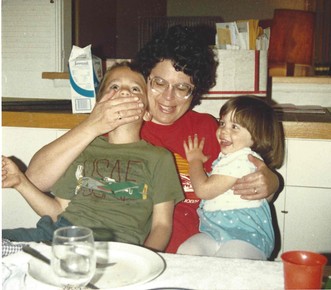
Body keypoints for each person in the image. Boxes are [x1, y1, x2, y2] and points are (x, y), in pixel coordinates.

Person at [24, 25, 280, 253]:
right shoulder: (117, 126)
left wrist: (271, 183)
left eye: (182, 88)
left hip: (199, 254)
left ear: (195, 91)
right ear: (145, 79)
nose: (169, 97)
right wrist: (91, 124)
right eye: (159, 82)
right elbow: (36, 179)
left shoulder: (209, 129)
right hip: (131, 252)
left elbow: (244, 182)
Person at [2, 62, 184, 251]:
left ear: (147, 112)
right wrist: (20, 183)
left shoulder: (159, 158)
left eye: (135, 88)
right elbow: (59, 211)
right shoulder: (84, 148)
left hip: (115, 247)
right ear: (100, 104)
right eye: (114, 87)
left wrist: (145, 260)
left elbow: (162, 226)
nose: (123, 92)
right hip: (58, 236)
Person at [177, 96, 285, 260]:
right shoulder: (228, 158)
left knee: (228, 264)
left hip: (245, 234)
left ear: (257, 136)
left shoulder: (242, 159)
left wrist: (195, 161)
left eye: (234, 127)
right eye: (222, 123)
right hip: (216, 231)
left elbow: (204, 190)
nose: (224, 131)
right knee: (187, 251)